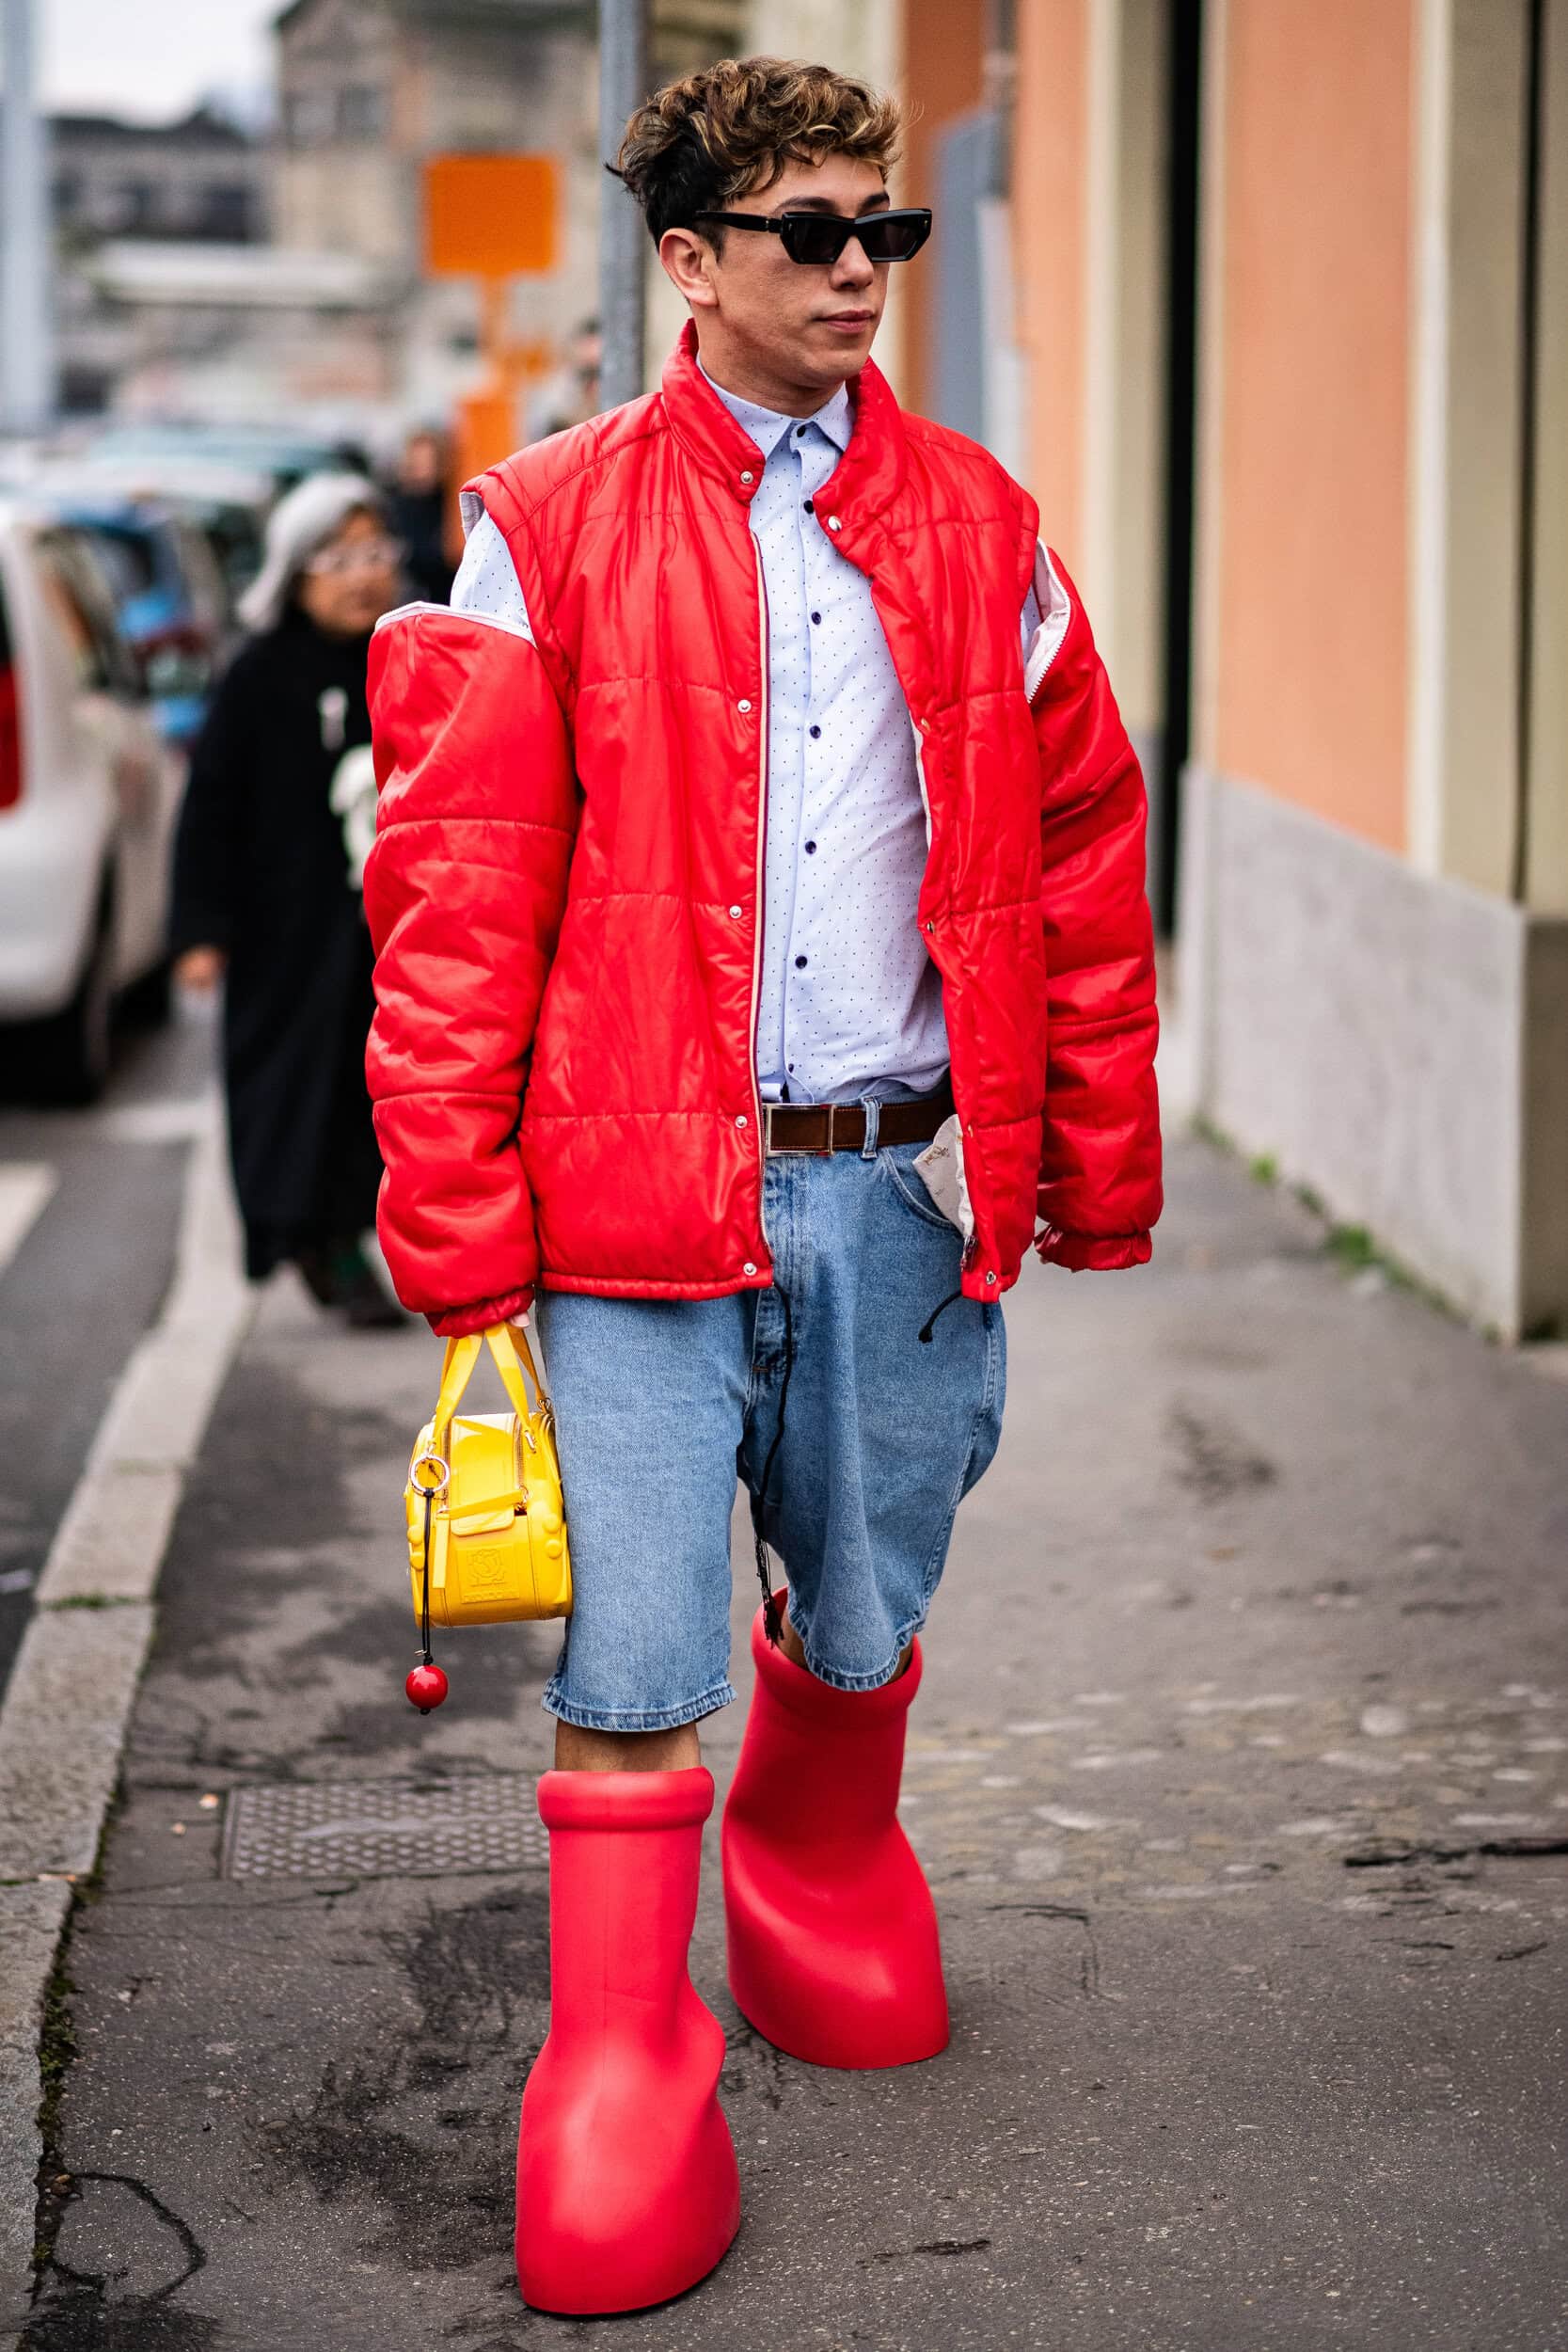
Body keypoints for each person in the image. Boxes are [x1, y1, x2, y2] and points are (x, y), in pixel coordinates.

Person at [364, 56, 1162, 2315]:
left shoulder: (986, 527)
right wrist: (453, 1232)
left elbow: (1080, 866)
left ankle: (815, 1860)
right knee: (630, 1660)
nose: (854, 272)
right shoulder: (542, 520)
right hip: (623, 1207)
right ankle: (619, 2056)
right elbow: (454, 889)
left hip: (892, 1197)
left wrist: (1089, 1161)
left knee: (868, 1598)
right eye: (807, 232)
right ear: (689, 259)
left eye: (882, 231)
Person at [172, 474, 404, 1327]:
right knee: (288, 1090)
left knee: (373, 1091)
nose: (361, 576)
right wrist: (200, 928)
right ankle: (315, 1242)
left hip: (388, 933)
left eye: (375, 553)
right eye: (337, 558)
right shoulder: (259, 674)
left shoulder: (407, 652)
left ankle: (351, 1235)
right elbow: (210, 806)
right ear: (296, 571)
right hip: (284, 932)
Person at [385, 426, 455, 604]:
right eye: (416, 463)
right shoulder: (394, 505)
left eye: (427, 463)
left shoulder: (450, 502)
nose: (422, 470)